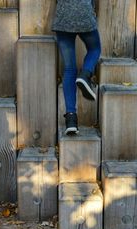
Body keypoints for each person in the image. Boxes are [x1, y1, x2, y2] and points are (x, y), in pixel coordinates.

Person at [52, 0, 101, 135]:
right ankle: (85, 74)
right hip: (84, 12)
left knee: (69, 69)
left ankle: (71, 119)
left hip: (63, 16)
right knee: (95, 49)